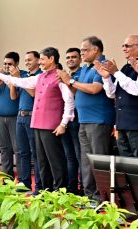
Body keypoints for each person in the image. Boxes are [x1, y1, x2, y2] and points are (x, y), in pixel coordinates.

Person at [0, 47, 74, 191]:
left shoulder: (59, 76)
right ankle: (44, 190)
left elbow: (69, 100)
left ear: (51, 59)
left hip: (51, 126)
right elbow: (20, 82)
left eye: (42, 59)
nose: (40, 62)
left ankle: (60, 192)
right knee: (41, 161)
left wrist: (63, 123)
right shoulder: (40, 77)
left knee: (55, 161)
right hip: (37, 124)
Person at [57, 36, 115, 200]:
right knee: (85, 161)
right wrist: (66, 82)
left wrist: (72, 81)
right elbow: (77, 90)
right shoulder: (84, 69)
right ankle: (90, 196)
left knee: (99, 161)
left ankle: (102, 199)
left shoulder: (102, 65)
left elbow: (95, 89)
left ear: (95, 49)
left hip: (99, 120)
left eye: (84, 50)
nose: (81, 53)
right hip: (83, 120)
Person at [95, 35, 138, 157]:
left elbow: (136, 90)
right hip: (122, 123)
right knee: (126, 164)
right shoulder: (126, 67)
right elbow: (112, 93)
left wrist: (115, 72)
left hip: (136, 125)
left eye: (128, 46)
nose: (124, 48)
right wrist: (106, 77)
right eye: (123, 46)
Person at [0, 52, 20, 180]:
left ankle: (22, 179)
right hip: (0, 118)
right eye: (5, 63)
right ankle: (7, 178)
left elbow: (14, 97)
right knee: (4, 148)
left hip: (15, 118)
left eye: (10, 64)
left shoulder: (19, 76)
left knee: (17, 149)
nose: (7, 66)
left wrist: (8, 78)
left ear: (16, 64)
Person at [15, 51, 42, 194]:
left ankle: (38, 186)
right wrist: (15, 81)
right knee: (22, 152)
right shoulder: (24, 76)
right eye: (25, 60)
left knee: (35, 153)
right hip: (20, 115)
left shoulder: (40, 76)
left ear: (38, 61)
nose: (27, 63)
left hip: (32, 116)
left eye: (29, 60)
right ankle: (24, 183)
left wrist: (20, 79)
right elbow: (14, 96)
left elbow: (33, 93)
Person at [62, 47, 83, 194]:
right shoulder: (67, 75)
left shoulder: (82, 73)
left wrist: (67, 80)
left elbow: (73, 92)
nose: (70, 60)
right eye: (68, 57)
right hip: (65, 119)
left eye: (74, 57)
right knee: (69, 156)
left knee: (79, 155)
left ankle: (84, 188)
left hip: (77, 118)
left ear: (80, 59)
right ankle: (72, 187)